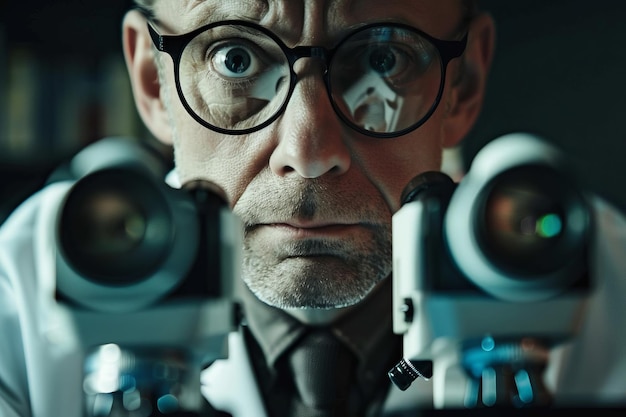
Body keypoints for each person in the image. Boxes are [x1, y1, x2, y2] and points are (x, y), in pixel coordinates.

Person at [0, 1, 625, 416]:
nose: (308, 150)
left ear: (464, 83)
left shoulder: (605, 281)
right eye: (235, 59)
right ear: (151, 80)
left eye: (384, 59)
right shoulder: (24, 290)